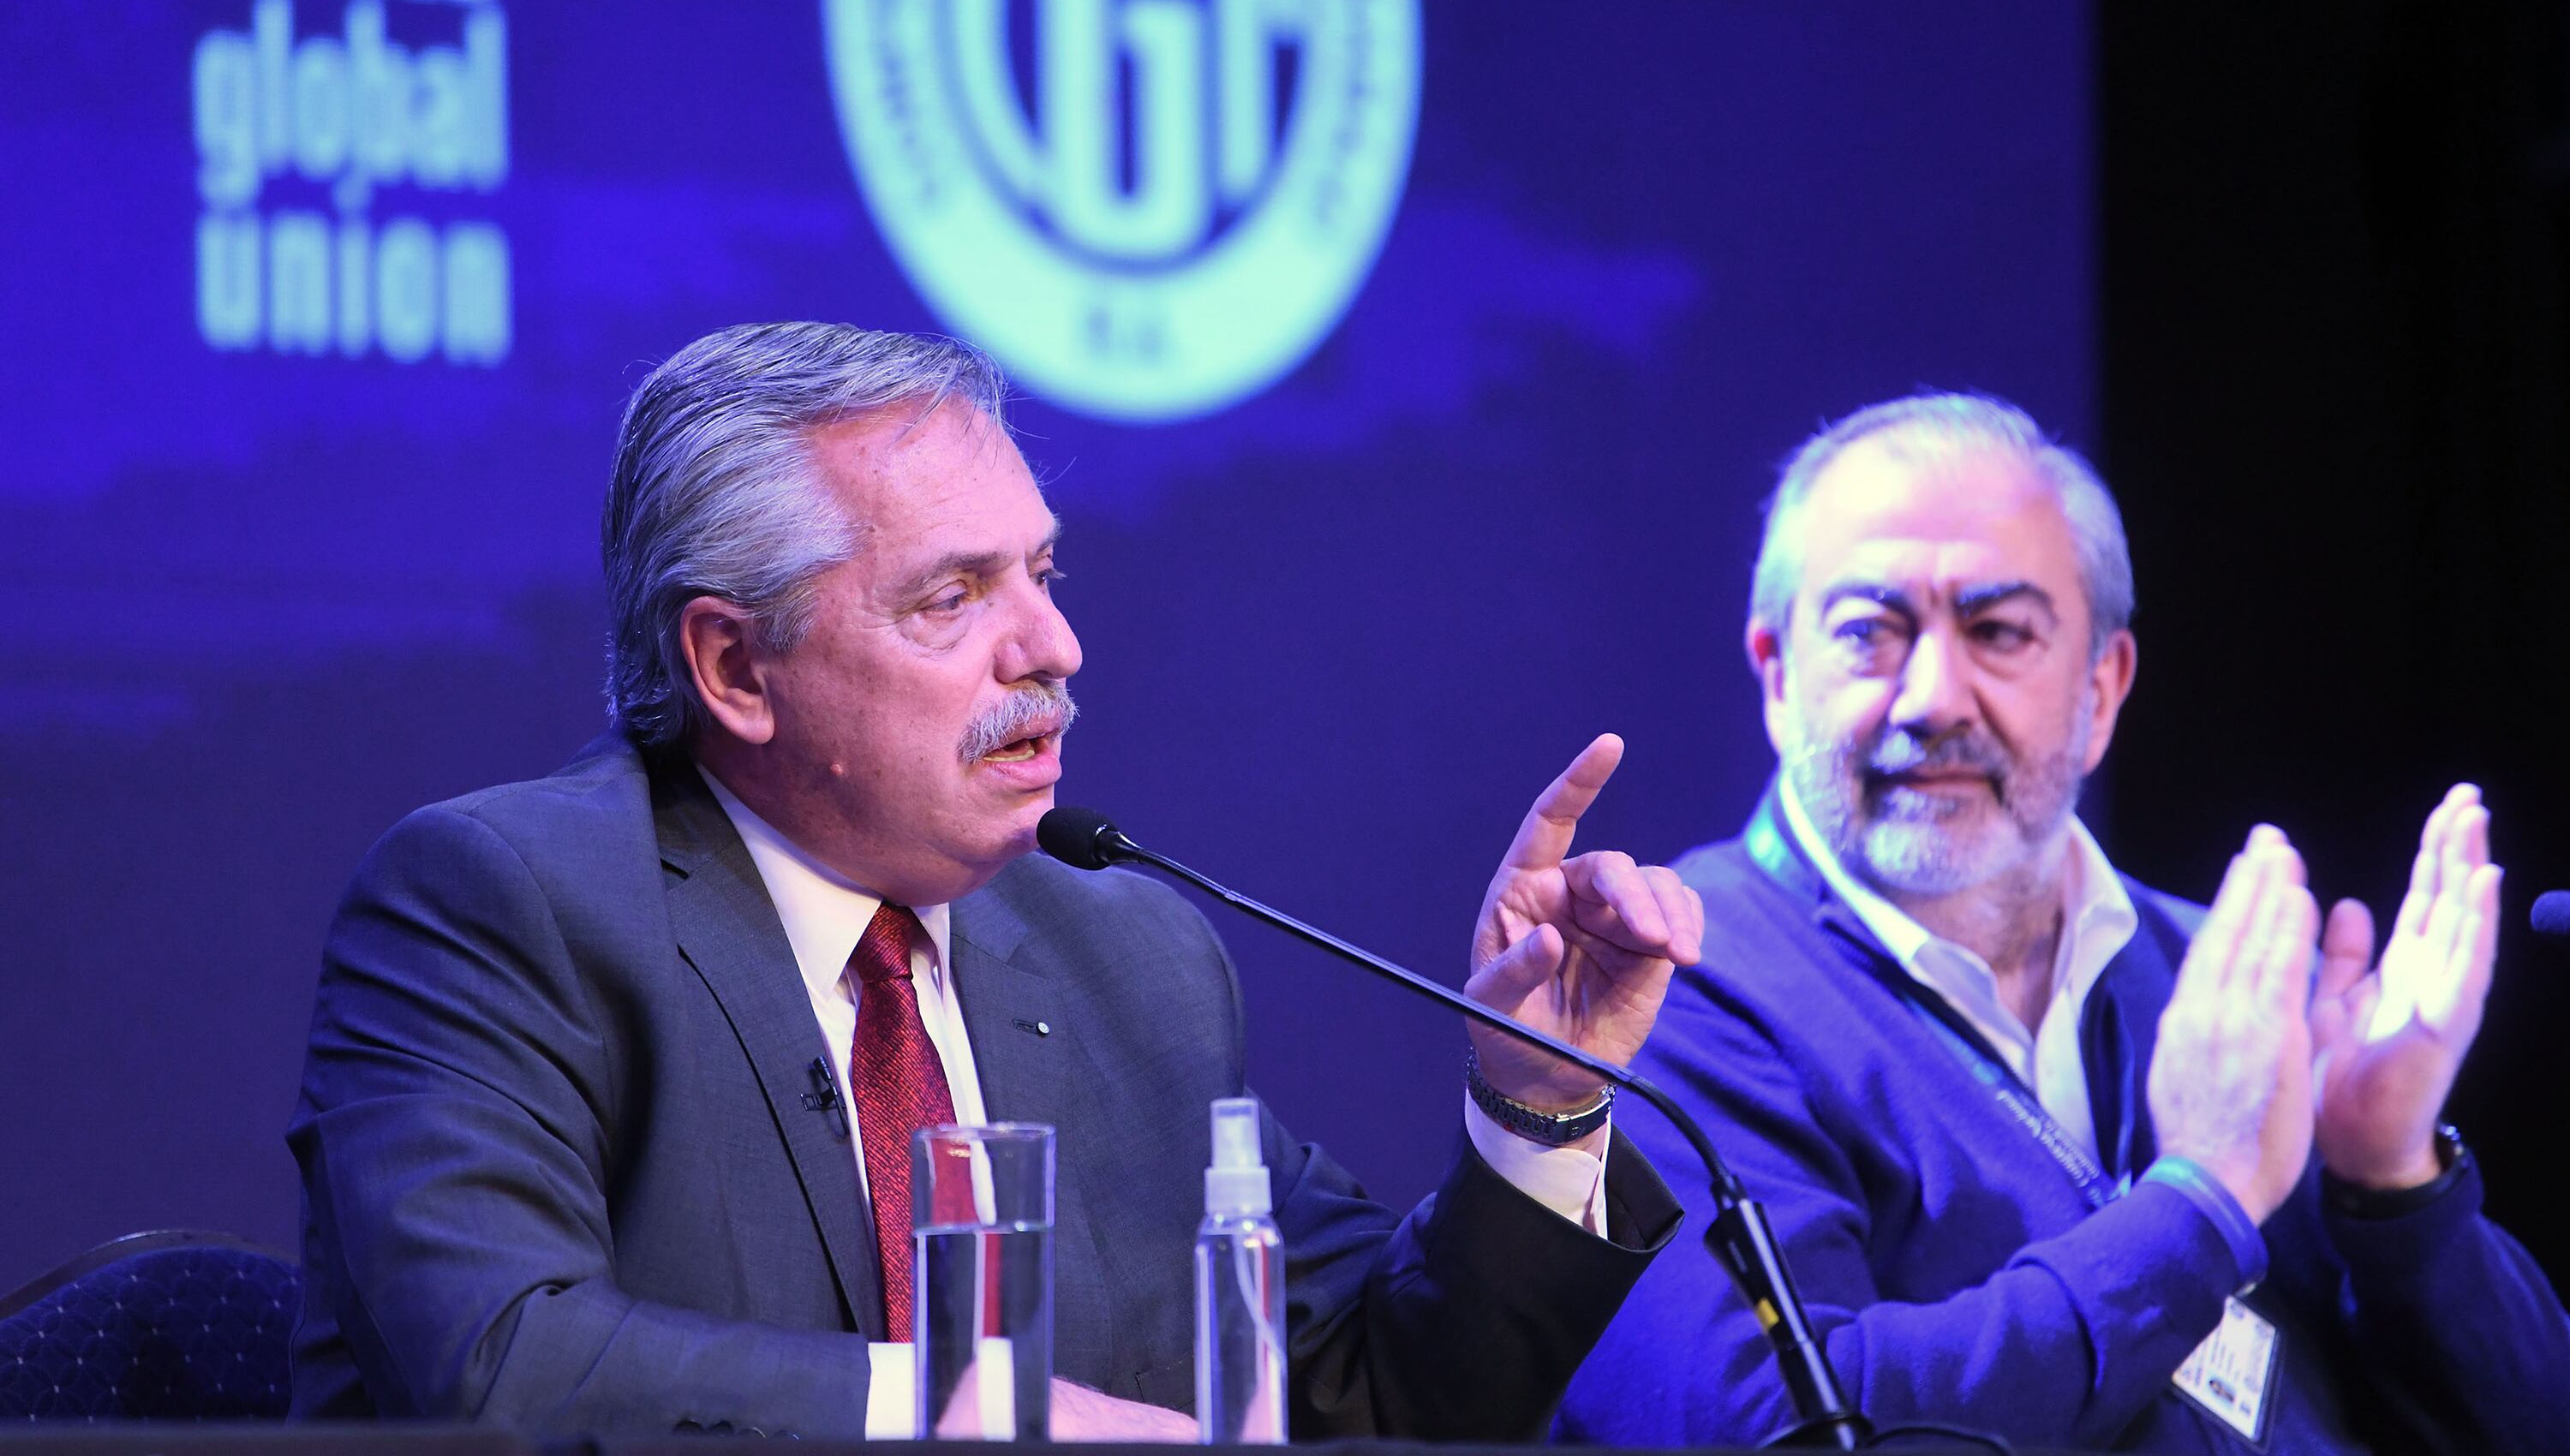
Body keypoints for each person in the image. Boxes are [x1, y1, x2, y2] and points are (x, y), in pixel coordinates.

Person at [289, 323, 1701, 1439]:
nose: (1053, 647)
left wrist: (1544, 1101)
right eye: (951, 597)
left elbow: (1365, 1399)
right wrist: (963, 1417)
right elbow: (495, 1368)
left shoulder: (1127, 952)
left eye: (1041, 570)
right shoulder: (502, 907)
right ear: (733, 668)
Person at [1559, 393, 2569, 1453]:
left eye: (1998, 631)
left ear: (2103, 685)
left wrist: (2394, 1184)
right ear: (1775, 672)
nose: (1932, 696)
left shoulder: (2228, 984)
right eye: (1870, 632)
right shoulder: (1661, 984)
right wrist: (2200, 1198)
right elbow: (1776, 1426)